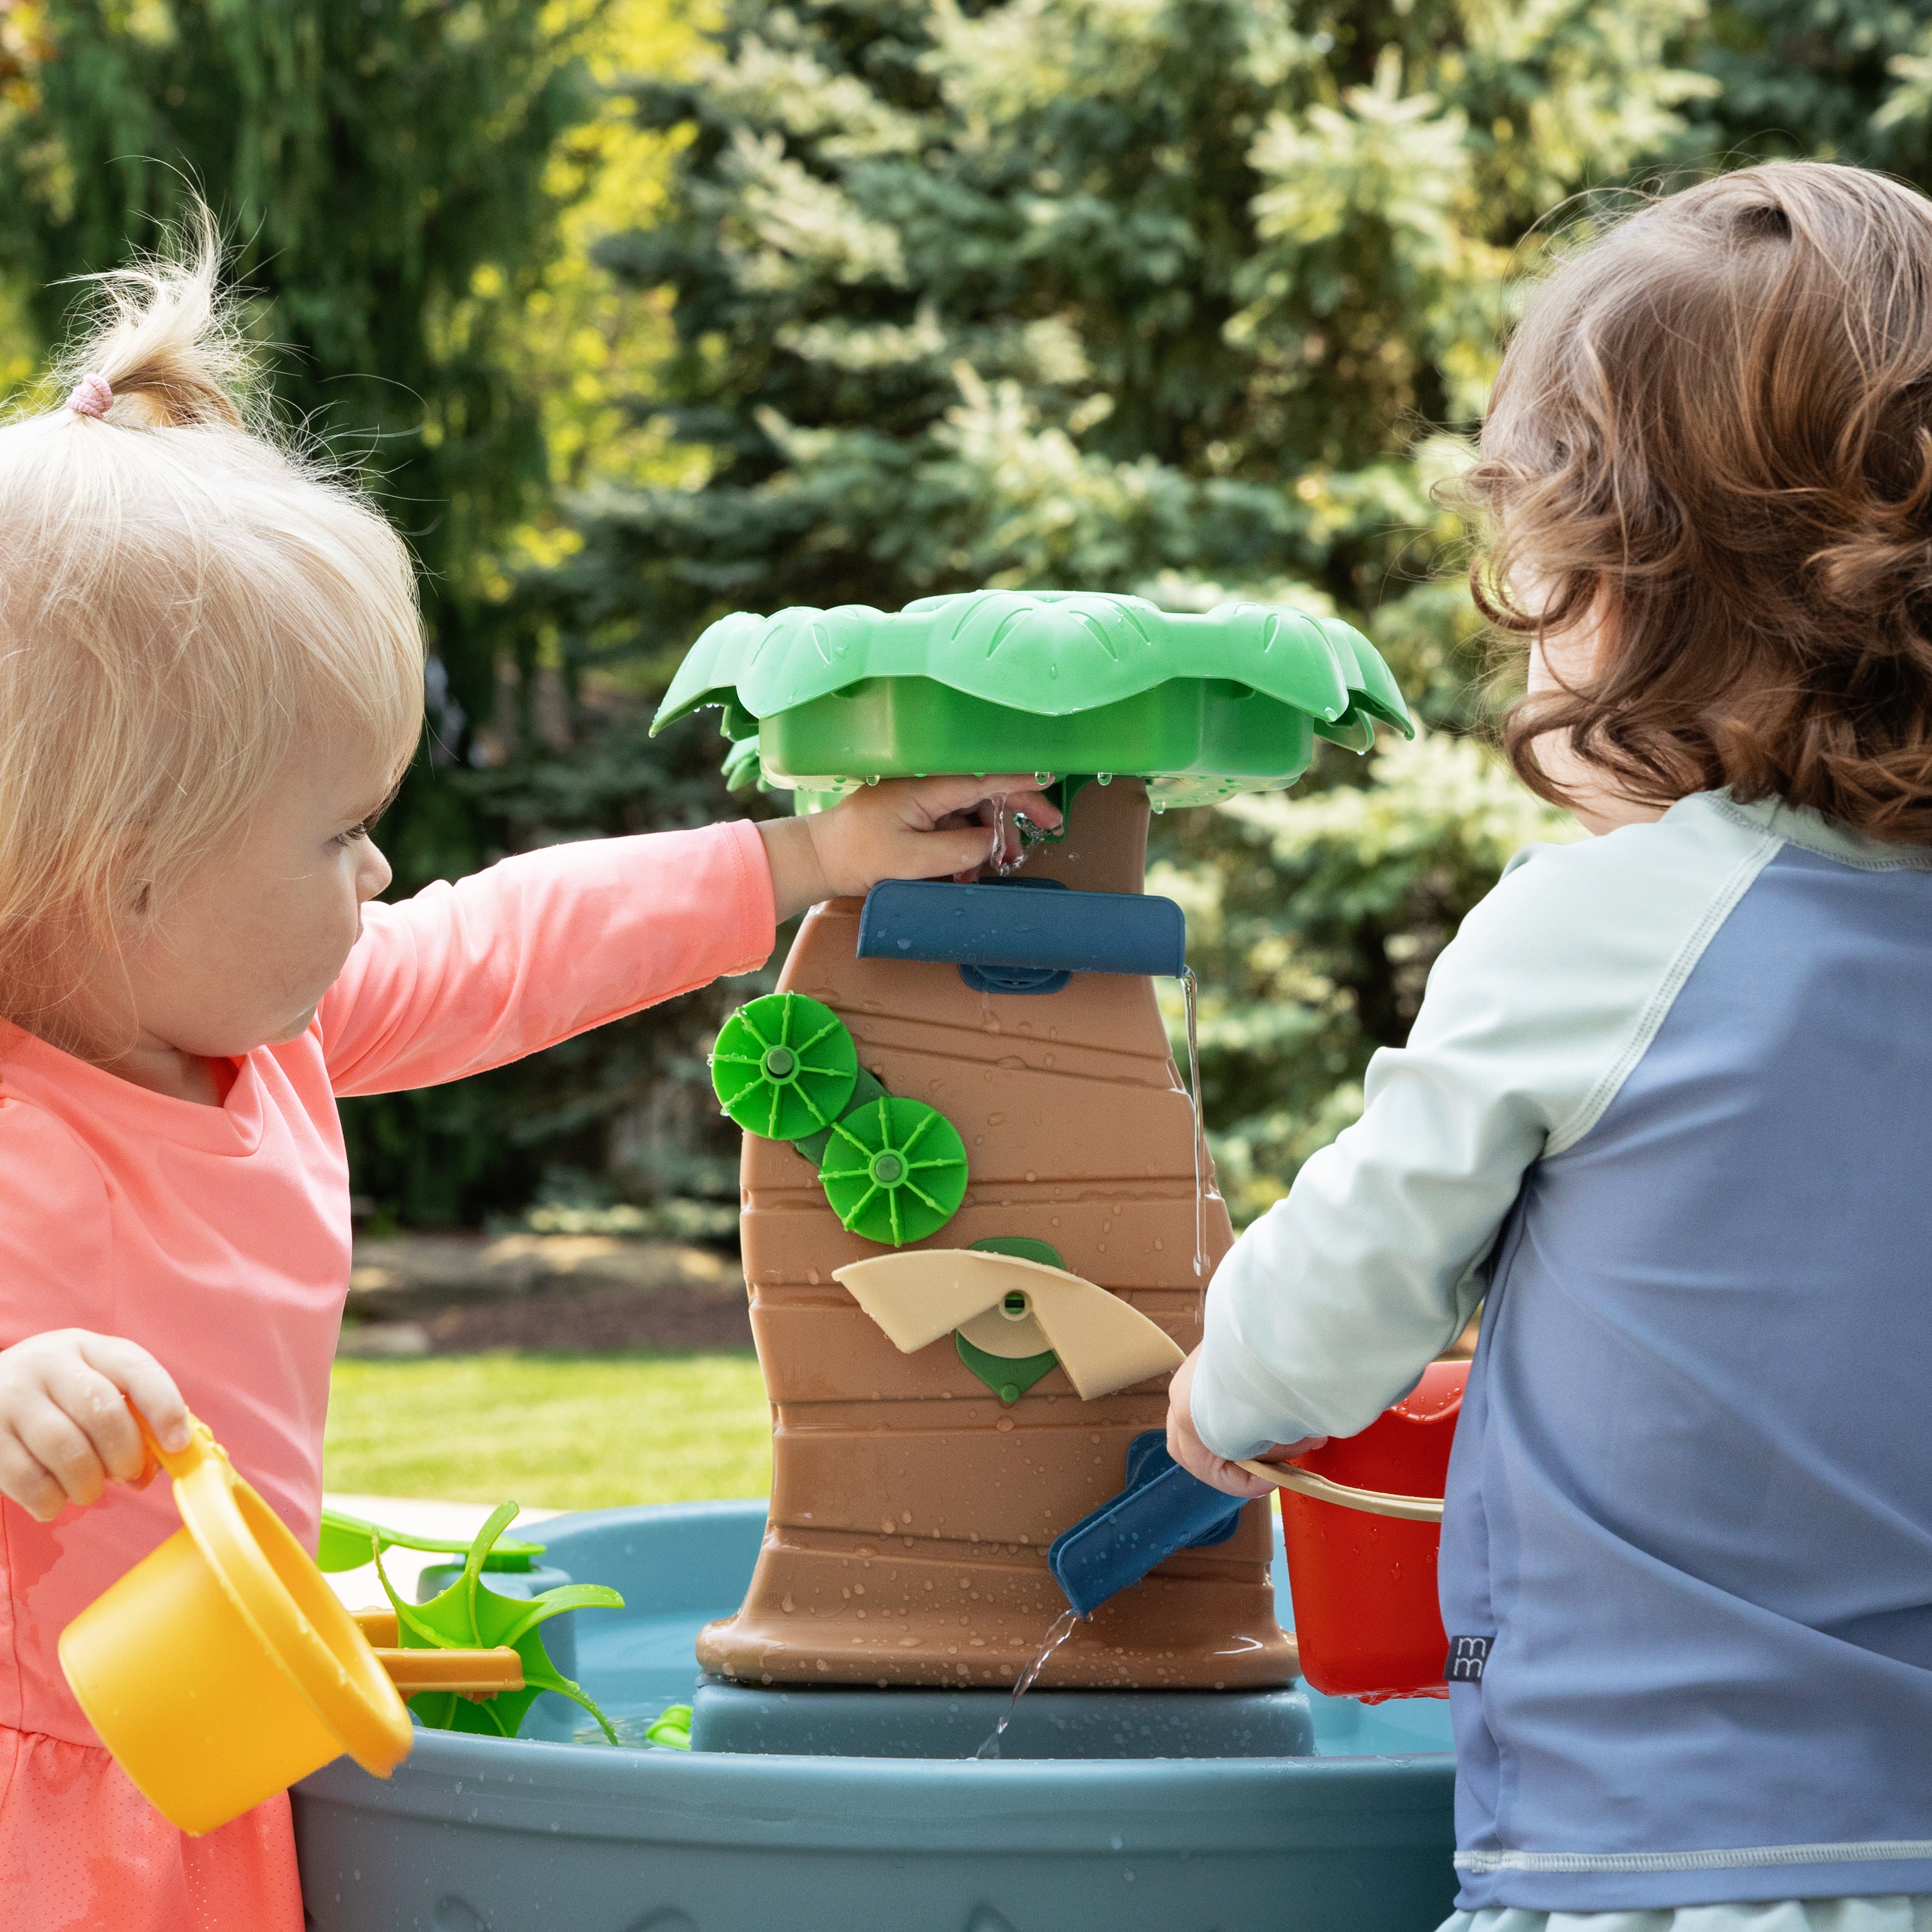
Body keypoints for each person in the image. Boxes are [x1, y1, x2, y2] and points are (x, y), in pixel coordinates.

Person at [0, 224, 1060, 1931]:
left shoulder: (275, 1038)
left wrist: (805, 855)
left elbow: (512, 943)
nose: (379, 874)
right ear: (127, 871)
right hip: (44, 1808)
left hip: (212, 1751)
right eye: (340, 833)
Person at [1168, 160, 1932, 1932]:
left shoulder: (1613, 923)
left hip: (1658, 1853)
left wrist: (1223, 1394)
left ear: (1623, 590)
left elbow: (1347, 1279)